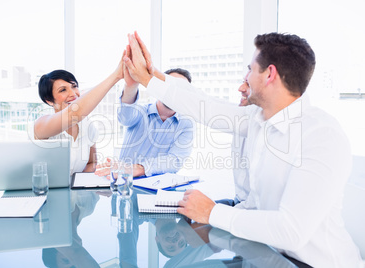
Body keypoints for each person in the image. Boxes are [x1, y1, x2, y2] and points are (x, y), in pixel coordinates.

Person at [122, 31, 362, 267]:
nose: (245, 78)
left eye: (250, 69)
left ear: (269, 74)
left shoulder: (320, 135)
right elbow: (204, 105)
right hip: (266, 254)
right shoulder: (258, 119)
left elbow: (291, 231)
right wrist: (149, 77)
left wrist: (212, 212)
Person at [33, 53, 124, 175]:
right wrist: (116, 76)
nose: (73, 94)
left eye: (74, 86)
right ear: (49, 100)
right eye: (63, 90)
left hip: (75, 192)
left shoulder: (87, 126)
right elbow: (72, 114)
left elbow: (91, 163)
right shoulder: (41, 124)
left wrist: (83, 180)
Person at [95, 66, 194, 178]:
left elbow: (175, 160)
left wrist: (138, 168)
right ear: (161, 88)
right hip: (125, 184)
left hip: (159, 190)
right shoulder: (140, 112)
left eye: (180, 89)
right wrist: (130, 87)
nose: (174, 93)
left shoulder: (186, 124)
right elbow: (125, 116)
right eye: (171, 86)